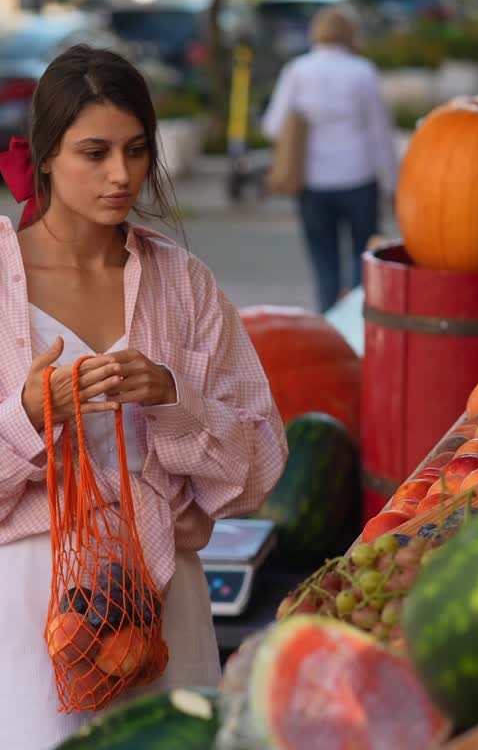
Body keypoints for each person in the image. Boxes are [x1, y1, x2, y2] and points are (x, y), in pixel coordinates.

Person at [0, 45, 286, 750]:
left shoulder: (181, 282)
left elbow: (258, 465)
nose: (121, 175)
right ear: (45, 155)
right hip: (33, 602)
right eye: (93, 153)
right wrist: (28, 416)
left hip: (164, 598)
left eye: (135, 150)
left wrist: (173, 397)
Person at [262, 7, 399, 313]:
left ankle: (329, 322)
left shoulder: (298, 71)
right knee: (363, 257)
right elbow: (380, 133)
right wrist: (393, 182)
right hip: (358, 178)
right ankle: (358, 320)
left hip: (312, 181)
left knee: (324, 262)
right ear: (351, 34)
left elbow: (273, 126)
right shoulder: (362, 71)